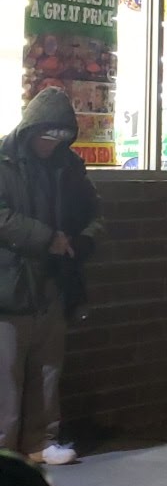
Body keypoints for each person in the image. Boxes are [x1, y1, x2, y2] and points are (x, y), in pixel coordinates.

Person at [0, 88, 102, 465]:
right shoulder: (4, 161)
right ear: (30, 128)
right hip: (9, 283)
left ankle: (41, 441)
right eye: (47, 135)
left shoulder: (69, 166)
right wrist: (47, 238)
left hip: (53, 281)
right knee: (6, 372)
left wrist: (83, 242)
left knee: (47, 366)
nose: (52, 143)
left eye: (60, 136)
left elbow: (93, 212)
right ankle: (5, 448)